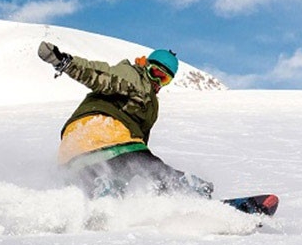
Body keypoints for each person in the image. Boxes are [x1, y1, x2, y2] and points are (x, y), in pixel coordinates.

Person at [38, 41, 214, 200]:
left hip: (73, 151)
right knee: (156, 171)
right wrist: (67, 63)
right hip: (102, 133)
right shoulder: (134, 77)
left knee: (126, 176)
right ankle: (193, 195)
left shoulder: (149, 100)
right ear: (146, 66)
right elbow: (101, 76)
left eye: (164, 79)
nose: (157, 82)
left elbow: (140, 143)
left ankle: (105, 200)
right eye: (155, 73)